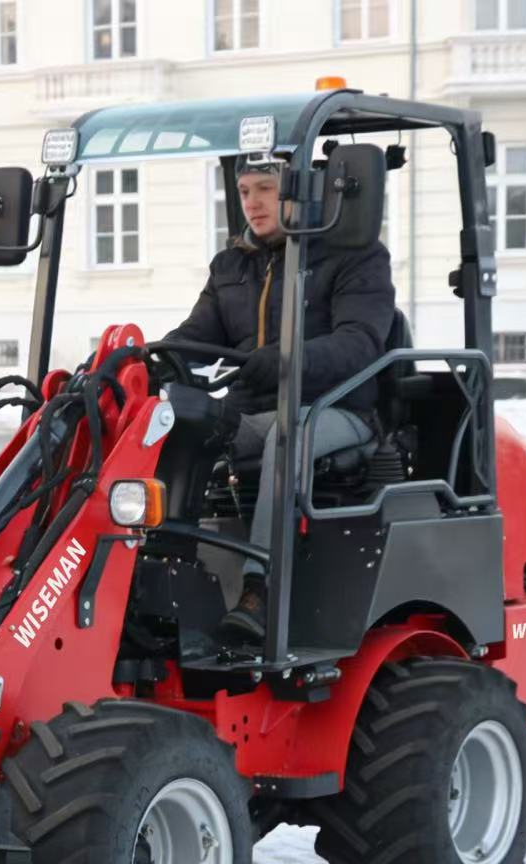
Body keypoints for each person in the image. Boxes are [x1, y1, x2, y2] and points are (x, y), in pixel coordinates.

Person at [164, 155, 395, 643]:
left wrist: (286, 360)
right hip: (253, 408)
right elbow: (195, 334)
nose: (253, 203)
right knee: (179, 430)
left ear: (298, 192)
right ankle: (164, 575)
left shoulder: (354, 256)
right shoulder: (231, 265)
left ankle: (258, 589)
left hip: (335, 409)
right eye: (245, 191)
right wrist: (150, 361)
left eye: (265, 189)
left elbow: (360, 342)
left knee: (287, 437)